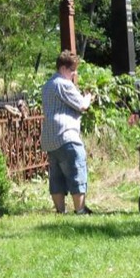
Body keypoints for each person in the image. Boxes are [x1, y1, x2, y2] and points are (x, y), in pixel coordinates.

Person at [41, 51, 94, 215]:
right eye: (72, 70)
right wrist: (88, 97)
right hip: (66, 135)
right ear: (63, 68)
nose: (74, 73)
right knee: (77, 170)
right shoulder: (64, 84)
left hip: (50, 139)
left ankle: (60, 211)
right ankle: (80, 209)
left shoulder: (48, 85)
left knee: (56, 177)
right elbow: (82, 105)